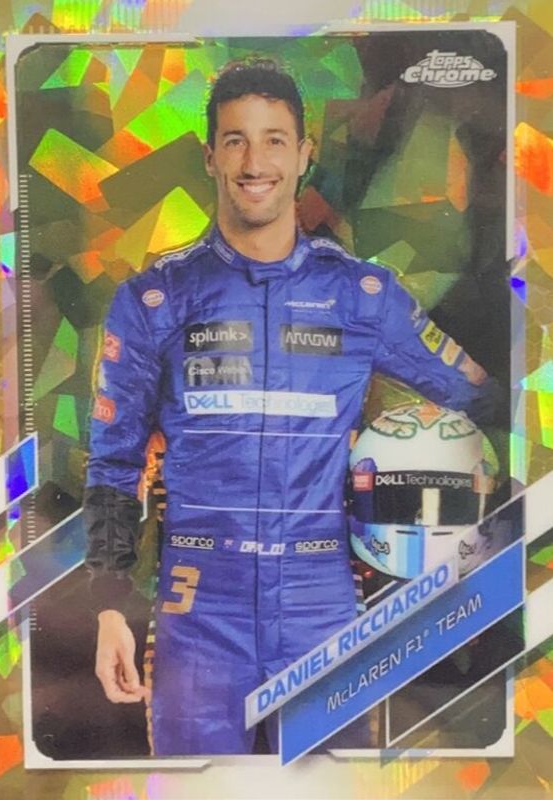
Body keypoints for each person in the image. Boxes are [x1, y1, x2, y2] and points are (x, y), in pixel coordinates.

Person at [83, 58, 502, 756]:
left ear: (304, 154)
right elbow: (113, 459)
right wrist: (106, 605)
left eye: (274, 140)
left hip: (323, 603)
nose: (255, 162)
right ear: (210, 157)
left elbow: (485, 399)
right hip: (197, 611)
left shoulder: (362, 296)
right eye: (236, 140)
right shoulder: (155, 299)